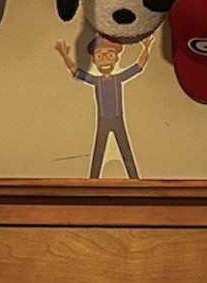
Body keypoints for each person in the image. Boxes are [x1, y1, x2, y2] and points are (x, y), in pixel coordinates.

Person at [56, 34, 149, 179]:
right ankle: (93, 180)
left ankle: (135, 180)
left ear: (116, 58)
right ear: (93, 60)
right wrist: (64, 55)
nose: (105, 59)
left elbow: (138, 67)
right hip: (103, 120)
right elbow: (76, 72)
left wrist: (147, 48)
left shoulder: (118, 79)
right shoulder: (96, 81)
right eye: (100, 56)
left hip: (118, 119)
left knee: (126, 151)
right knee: (98, 151)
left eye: (110, 54)